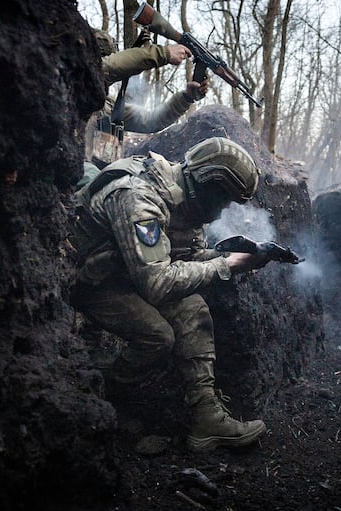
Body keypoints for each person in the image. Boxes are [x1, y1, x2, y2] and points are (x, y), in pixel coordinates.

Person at [68, 137, 271, 452]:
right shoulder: (139, 198)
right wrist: (224, 265)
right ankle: (105, 395)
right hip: (91, 280)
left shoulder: (182, 199)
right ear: (207, 184)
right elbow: (158, 283)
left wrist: (234, 257)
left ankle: (206, 417)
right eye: (223, 200)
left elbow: (181, 259)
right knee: (157, 336)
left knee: (193, 308)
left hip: (127, 272)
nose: (221, 212)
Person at [84, 29, 209, 164]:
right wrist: (162, 54)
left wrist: (186, 98)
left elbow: (151, 120)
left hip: (100, 179)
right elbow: (103, 68)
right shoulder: (70, 91)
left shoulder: (107, 106)